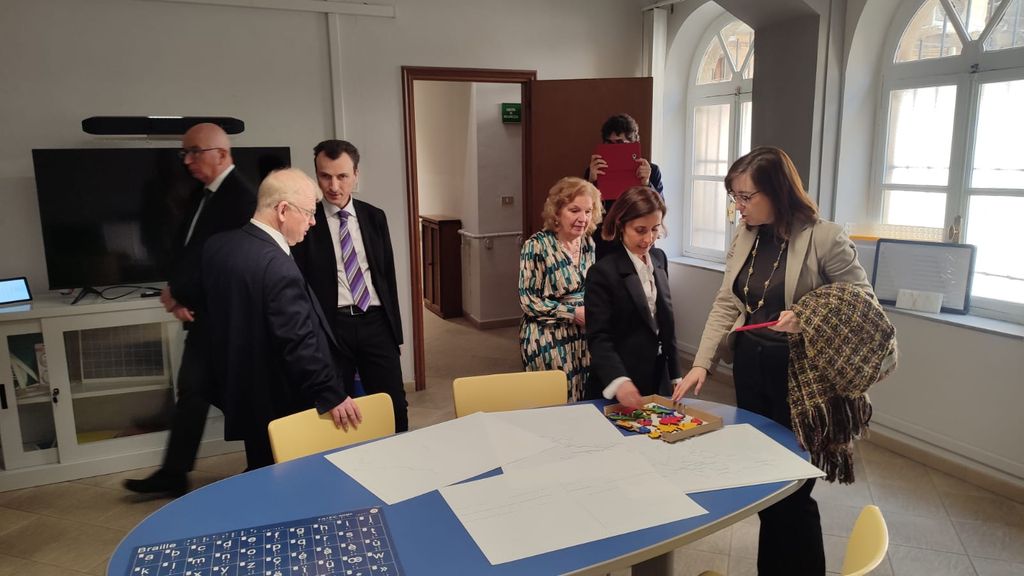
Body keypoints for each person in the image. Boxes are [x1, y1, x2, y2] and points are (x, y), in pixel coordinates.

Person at [672, 146, 876, 575]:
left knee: (794, 488)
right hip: (751, 369)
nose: (739, 207)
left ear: (778, 191)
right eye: (734, 197)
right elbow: (727, 303)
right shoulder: (746, 235)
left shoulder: (825, 238)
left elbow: (862, 304)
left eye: (746, 197)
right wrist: (701, 364)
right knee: (765, 481)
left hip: (799, 378)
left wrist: (807, 316)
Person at [189, 168, 362, 470]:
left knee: (261, 465)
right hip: (281, 399)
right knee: (291, 475)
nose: (313, 222)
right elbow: (297, 341)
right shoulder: (277, 266)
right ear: (283, 210)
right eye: (309, 213)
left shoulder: (219, 247)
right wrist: (331, 394)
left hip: (243, 389)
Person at [125, 123, 255, 497]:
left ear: (222, 154)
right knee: (193, 391)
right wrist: (175, 289)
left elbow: (228, 265)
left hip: (226, 321)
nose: (187, 160)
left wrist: (183, 296)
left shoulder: (241, 199)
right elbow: (189, 252)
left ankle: (264, 464)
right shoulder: (204, 193)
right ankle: (174, 473)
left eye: (195, 151)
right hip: (203, 318)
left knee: (242, 395)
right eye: (184, 153)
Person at [292, 140, 408, 432]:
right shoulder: (306, 222)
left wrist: (394, 332)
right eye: (325, 176)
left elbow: (387, 277)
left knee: (394, 406)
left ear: (356, 175)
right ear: (316, 176)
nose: (333, 186)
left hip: (376, 322)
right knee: (334, 413)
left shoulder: (374, 217)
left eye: (342, 176)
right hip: (332, 328)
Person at [585, 186, 681, 408]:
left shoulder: (659, 258)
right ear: (621, 225)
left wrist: (675, 374)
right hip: (621, 379)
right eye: (640, 230)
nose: (649, 239)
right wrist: (619, 380)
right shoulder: (603, 272)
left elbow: (666, 323)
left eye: (655, 229)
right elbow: (598, 336)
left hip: (658, 377)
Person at [518, 177, 603, 402]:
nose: (582, 218)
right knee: (554, 402)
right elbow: (529, 300)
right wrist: (572, 313)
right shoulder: (536, 245)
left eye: (588, 211)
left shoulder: (588, 244)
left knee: (583, 398)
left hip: (583, 335)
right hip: (547, 337)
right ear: (556, 212)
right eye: (574, 210)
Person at [584, 114, 664, 259]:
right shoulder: (595, 170)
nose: (614, 148)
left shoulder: (651, 170)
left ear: (633, 143)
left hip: (641, 239)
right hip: (605, 241)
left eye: (620, 142)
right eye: (609, 143)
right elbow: (586, 210)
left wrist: (646, 183)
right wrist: (591, 181)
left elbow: (660, 209)